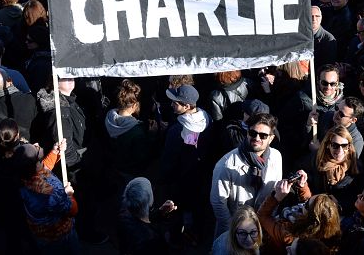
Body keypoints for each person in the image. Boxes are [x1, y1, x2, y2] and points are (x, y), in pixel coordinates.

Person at [211, 112, 282, 238]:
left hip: (263, 226)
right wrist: (233, 232)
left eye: (263, 135)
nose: (257, 138)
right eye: (253, 133)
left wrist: (268, 222)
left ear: (271, 138)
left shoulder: (276, 157)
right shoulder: (227, 164)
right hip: (235, 227)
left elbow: (274, 193)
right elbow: (218, 202)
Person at [160, 84, 214, 239]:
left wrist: (163, 180)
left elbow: (168, 160)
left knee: (176, 209)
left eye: (175, 102)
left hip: (179, 180)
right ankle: (196, 235)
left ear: (187, 106)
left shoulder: (177, 131)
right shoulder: (207, 118)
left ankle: (176, 238)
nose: (171, 104)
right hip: (201, 177)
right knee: (197, 208)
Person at [258, 175, 341, 255]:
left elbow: (262, 216)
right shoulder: (324, 230)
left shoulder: (288, 236)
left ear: (310, 219)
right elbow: (310, 203)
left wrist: (276, 197)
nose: (305, 202)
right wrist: (302, 185)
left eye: (307, 204)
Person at [304, 126, 361, 216]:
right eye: (335, 145)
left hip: (340, 216)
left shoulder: (356, 166)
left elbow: (356, 197)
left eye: (344, 146)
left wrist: (338, 205)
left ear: (349, 146)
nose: (340, 151)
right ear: (327, 145)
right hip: (315, 211)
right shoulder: (316, 159)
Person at [116, 177, 177, 255]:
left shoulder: (123, 216)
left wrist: (159, 213)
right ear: (150, 201)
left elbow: (140, 219)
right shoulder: (152, 240)